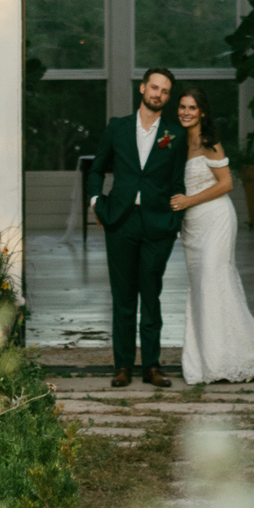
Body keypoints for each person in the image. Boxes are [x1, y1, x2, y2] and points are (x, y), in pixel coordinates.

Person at [169, 86, 254, 385]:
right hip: (192, 226)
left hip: (216, 218)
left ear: (202, 112)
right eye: (181, 107)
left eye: (191, 108)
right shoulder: (177, 142)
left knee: (216, 280)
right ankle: (207, 359)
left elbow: (227, 183)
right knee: (201, 287)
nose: (185, 112)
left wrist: (189, 200)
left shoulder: (209, 143)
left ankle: (244, 356)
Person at [89, 67, 183, 387]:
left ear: (168, 97)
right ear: (142, 88)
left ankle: (152, 366)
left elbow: (179, 179)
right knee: (124, 297)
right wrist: (96, 204)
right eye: (154, 87)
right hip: (121, 221)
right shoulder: (118, 128)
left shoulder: (174, 134)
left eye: (165, 91)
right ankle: (123, 366)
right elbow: (96, 169)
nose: (158, 94)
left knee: (151, 296)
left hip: (159, 225)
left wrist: (176, 219)